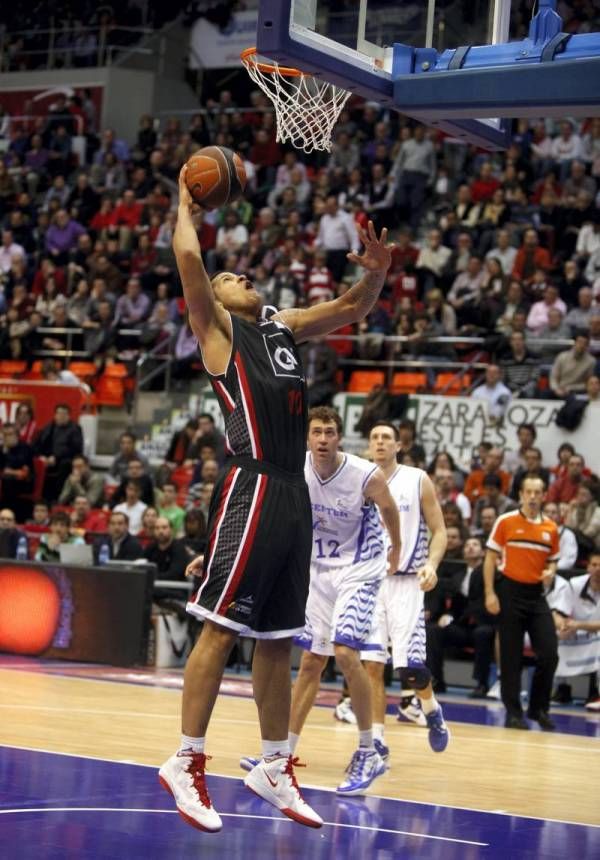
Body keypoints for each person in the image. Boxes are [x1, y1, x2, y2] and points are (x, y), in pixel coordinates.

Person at [158, 166, 394, 832]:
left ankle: (273, 762)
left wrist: (375, 271)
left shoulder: (280, 329)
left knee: (274, 639)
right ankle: (187, 759)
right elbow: (187, 259)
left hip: (293, 491)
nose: (239, 278)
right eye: (229, 277)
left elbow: (351, 308)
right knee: (221, 626)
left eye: (241, 276)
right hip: (252, 483)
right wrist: (184, 201)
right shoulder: (219, 336)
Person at [240, 407, 400, 791]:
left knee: (345, 653)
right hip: (318, 570)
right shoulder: (295, 470)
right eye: (317, 432)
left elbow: (390, 509)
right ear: (307, 438)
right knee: (311, 661)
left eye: (330, 432)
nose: (324, 439)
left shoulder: (365, 474)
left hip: (360, 568)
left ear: (339, 437)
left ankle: (368, 751)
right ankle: (281, 755)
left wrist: (396, 550)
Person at [361, 421, 449, 755]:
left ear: (398, 445)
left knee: (410, 669)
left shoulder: (417, 479)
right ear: (369, 445)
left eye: (386, 438)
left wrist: (432, 564)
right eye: (375, 437)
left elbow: (439, 531)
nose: (380, 442)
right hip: (371, 582)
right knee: (371, 663)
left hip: (409, 583)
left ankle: (431, 709)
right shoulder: (358, 479)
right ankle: (377, 741)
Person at [484, 476, 560, 730]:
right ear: (521, 495)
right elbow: (489, 558)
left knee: (549, 653)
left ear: (544, 495)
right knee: (510, 657)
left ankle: (538, 709)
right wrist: (489, 593)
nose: (533, 496)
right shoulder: (505, 522)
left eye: (537, 492)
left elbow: (553, 559)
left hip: (537, 595)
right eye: (528, 491)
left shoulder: (551, 527)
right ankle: (513, 713)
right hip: (509, 591)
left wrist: (551, 570)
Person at [427, 537, 497, 698]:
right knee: (433, 630)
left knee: (483, 633)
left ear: (483, 551)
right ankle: (436, 679)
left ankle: (482, 683)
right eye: (467, 545)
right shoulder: (458, 576)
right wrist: (448, 615)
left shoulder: (490, 574)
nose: (470, 548)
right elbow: (456, 605)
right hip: (463, 625)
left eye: (475, 544)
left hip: (484, 623)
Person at [556, 553, 600, 711]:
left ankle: (598, 695)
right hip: (576, 630)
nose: (597, 569)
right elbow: (557, 612)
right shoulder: (574, 584)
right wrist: (562, 625)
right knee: (556, 635)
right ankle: (561, 689)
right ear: (588, 567)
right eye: (594, 565)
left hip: (593, 631)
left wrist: (579, 625)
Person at [35, 403, 84, 502]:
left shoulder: (75, 429)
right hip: (47, 459)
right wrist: (41, 456)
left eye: (64, 414)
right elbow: (38, 444)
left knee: (65, 464)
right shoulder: (49, 427)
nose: (61, 416)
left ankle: (57, 498)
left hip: (64, 460)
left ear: (69, 416)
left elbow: (75, 449)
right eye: (59, 413)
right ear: (55, 415)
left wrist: (56, 457)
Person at [0, 423, 34, 522]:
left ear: (16, 435)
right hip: (7, 481)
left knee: (8, 482)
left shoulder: (25, 448)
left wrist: (8, 470)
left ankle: (7, 516)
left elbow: (23, 471)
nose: (7, 437)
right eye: (5, 435)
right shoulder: (2, 449)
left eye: (10, 434)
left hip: (24, 483)